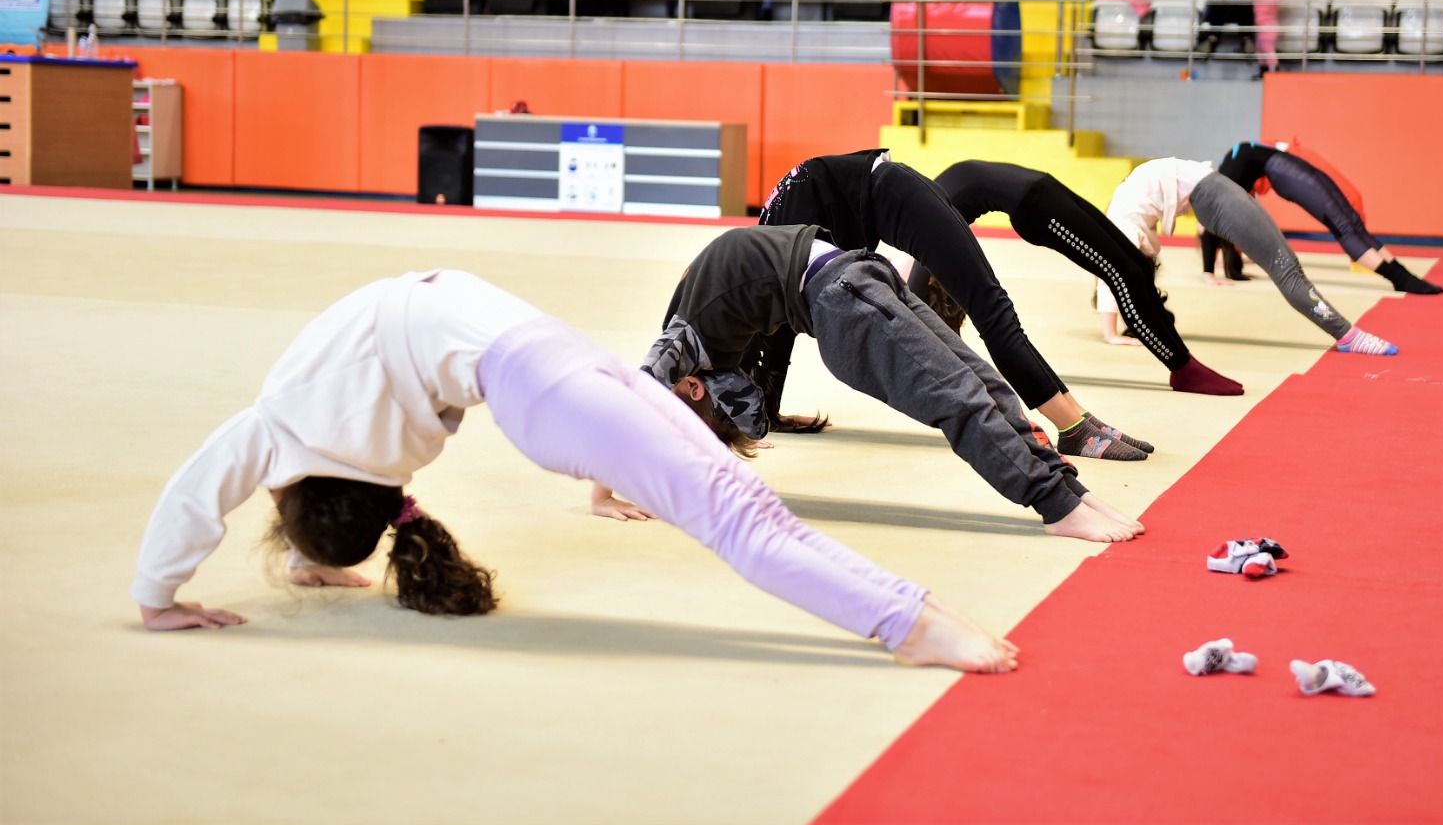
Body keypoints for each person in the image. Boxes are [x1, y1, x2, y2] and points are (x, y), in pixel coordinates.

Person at [130, 269, 1016, 673]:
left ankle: (912, 614)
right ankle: (909, 621)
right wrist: (158, 593)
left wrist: (159, 596)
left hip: (556, 380)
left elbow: (204, 494)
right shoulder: (296, 417)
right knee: (744, 514)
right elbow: (215, 485)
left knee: (745, 508)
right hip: (552, 372)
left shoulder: (328, 443)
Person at [642, 224, 1145, 543]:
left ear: (691, 388)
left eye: (719, 411)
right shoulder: (699, 351)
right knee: (961, 399)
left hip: (856, 279)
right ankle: (1054, 506)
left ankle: (1065, 490)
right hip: (845, 302)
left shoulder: (677, 348)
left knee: (984, 385)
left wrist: (605, 491)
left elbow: (625, 400)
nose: (738, 400)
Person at [757, 149, 1155, 461]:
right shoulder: (772, 243)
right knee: (992, 312)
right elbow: (775, 336)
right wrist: (761, 419)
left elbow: (773, 335)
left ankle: (1076, 428)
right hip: (898, 190)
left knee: (993, 313)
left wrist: (754, 422)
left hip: (899, 195)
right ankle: (1078, 422)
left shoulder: (769, 255)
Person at [917, 160, 1244, 395]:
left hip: (1041, 186)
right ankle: (1182, 367)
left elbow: (912, 301)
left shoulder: (916, 240)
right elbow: (915, 303)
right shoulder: (923, 246)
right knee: (1122, 272)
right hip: (1035, 209)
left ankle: (1181, 359)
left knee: (1139, 265)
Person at [1100, 159, 1400, 356]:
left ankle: (1346, 334)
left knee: (1287, 271)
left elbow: (1109, 272)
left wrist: (1111, 332)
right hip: (1212, 193)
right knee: (1287, 271)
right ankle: (1347, 335)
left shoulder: (1121, 227)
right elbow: (1112, 274)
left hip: (1212, 194)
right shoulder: (1125, 216)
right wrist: (1112, 332)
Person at [1213, 142, 1443, 294]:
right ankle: (1400, 279)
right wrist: (1208, 272)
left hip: (1287, 170)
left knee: (1353, 222)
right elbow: (1209, 231)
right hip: (1286, 172)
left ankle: (1402, 274)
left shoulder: (1221, 179)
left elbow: (1211, 229)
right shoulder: (1225, 176)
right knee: (1345, 226)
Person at [1239, 0, 1286, 78]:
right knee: (1261, 48)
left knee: (1267, 48)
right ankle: (1263, 70)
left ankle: (1274, 69)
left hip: (1267, 24)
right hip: (1263, 24)